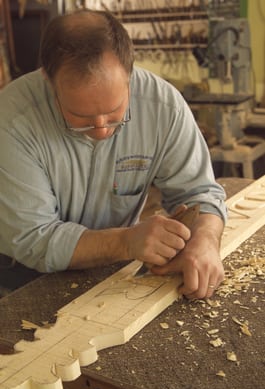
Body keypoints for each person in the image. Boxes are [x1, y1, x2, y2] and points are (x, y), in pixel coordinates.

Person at [0, 9, 227, 299]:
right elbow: (33, 239)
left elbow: (201, 193)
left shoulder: (163, 106)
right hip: (24, 281)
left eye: (113, 113)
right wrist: (127, 242)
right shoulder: (10, 121)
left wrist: (205, 240)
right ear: (48, 78)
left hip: (112, 275)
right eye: (80, 116)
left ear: (130, 73)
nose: (101, 130)